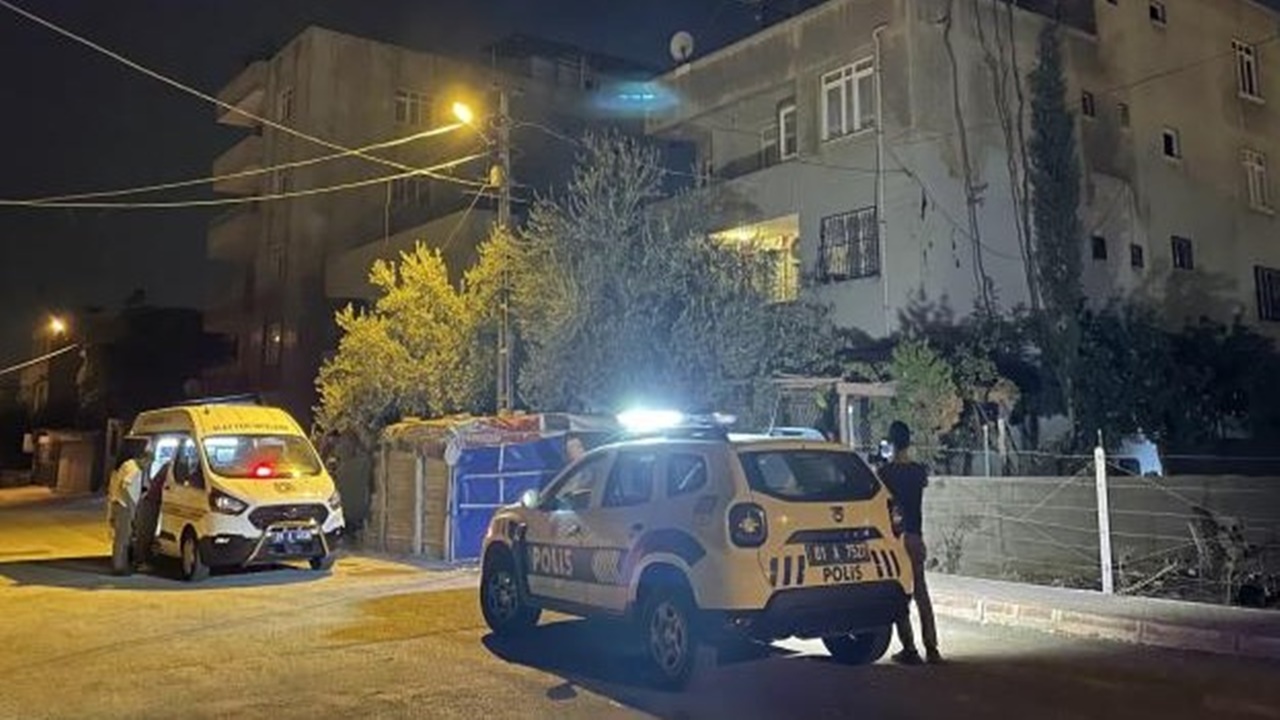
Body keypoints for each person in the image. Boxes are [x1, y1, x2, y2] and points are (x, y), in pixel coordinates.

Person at [877, 420, 942, 665]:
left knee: (900, 592)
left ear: (891, 443)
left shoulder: (885, 473)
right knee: (921, 592)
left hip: (896, 539)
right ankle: (931, 647)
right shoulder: (918, 471)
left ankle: (909, 647)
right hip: (916, 535)